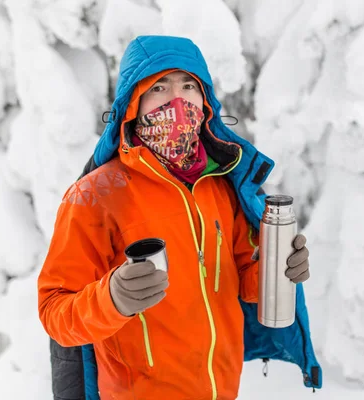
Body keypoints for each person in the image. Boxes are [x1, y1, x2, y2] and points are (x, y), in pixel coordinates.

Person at [38, 35, 321, 400]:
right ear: (132, 106)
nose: (178, 99)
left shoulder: (222, 184)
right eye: (159, 87)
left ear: (205, 103)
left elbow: (242, 280)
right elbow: (55, 312)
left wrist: (278, 269)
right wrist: (112, 299)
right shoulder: (95, 195)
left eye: (189, 85)